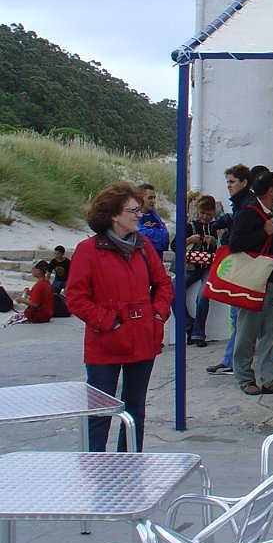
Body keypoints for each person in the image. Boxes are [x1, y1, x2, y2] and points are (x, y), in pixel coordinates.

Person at [66, 182, 172, 450]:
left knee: (135, 411)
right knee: (99, 413)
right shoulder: (88, 250)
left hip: (142, 337)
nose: (139, 215)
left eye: (139, 210)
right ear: (114, 215)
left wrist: (157, 315)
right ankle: (96, 468)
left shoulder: (143, 246)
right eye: (133, 211)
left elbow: (163, 283)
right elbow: (76, 298)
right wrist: (109, 322)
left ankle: (130, 464)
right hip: (105, 342)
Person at [229, 171, 273, 395]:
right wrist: (264, 232)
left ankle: (270, 378)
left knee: (272, 333)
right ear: (271, 191)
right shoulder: (248, 213)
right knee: (247, 333)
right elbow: (234, 244)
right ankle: (244, 378)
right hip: (255, 283)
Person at [206, 163, 257, 375]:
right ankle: (230, 359)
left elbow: (240, 233)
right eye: (227, 182)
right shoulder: (242, 203)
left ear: (244, 182)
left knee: (243, 315)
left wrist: (227, 231)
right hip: (243, 261)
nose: (229, 186)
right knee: (241, 315)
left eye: (232, 182)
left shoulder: (247, 204)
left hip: (244, 262)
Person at [180, 195, 218, 346]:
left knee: (203, 295)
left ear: (213, 212)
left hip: (210, 266)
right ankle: (188, 324)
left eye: (208, 214)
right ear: (197, 211)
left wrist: (215, 242)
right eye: (202, 213)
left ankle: (198, 333)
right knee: (173, 289)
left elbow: (226, 246)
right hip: (192, 266)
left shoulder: (217, 227)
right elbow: (175, 245)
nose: (205, 217)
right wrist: (189, 240)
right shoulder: (190, 226)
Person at [136, 183, 170, 255]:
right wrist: (158, 234)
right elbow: (140, 234)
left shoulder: (155, 216)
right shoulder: (134, 216)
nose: (153, 201)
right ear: (140, 198)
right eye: (150, 198)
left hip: (157, 258)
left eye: (154, 198)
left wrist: (152, 236)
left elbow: (165, 238)